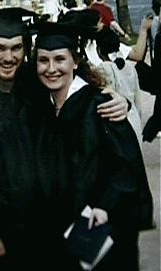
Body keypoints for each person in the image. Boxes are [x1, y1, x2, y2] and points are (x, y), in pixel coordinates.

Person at [0, 8, 129, 271]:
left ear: (25, 51)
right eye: (0, 48)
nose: (9, 57)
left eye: (16, 48)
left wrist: (118, 99)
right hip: (1, 235)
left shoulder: (34, 91)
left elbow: (73, 86)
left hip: (46, 227)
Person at [33, 21, 153, 271]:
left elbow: (126, 167)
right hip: (62, 228)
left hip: (100, 227)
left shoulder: (99, 105)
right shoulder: (42, 109)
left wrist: (105, 207)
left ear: (75, 62)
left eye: (59, 59)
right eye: (43, 60)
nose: (51, 68)